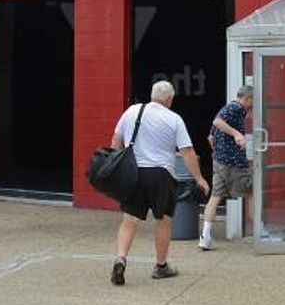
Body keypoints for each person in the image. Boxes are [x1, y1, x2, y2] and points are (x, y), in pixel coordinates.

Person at [109, 80, 209, 285]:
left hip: (134, 172)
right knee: (163, 219)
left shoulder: (131, 111)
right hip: (161, 174)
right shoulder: (174, 119)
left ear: (152, 95)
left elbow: (115, 142)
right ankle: (161, 266)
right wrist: (199, 178)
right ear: (170, 99)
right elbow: (187, 151)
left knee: (130, 219)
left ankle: (121, 257)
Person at [199, 85, 254, 251]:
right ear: (247, 98)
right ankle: (261, 233)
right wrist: (237, 134)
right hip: (233, 162)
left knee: (216, 196)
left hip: (219, 160)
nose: (252, 106)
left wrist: (220, 145)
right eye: (252, 102)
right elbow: (217, 122)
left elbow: (210, 136)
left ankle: (205, 236)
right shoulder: (236, 108)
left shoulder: (227, 108)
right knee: (252, 191)